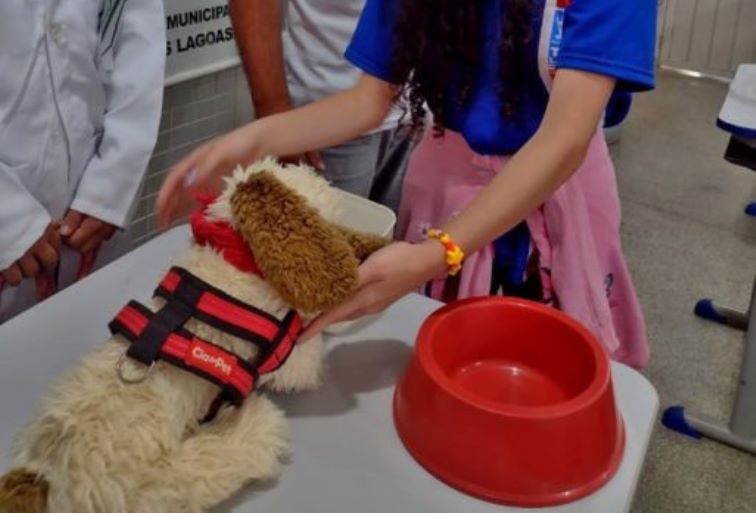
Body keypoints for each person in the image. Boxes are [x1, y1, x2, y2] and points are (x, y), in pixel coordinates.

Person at [157, 0, 657, 367]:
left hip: (559, 190)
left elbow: (562, 142)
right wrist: (252, 138)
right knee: (445, 353)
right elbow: (369, 101)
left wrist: (436, 253)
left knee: (551, 357)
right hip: (449, 174)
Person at [0, 0, 165, 322]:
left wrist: (110, 186)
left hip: (87, 211)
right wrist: (8, 216)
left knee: (88, 345)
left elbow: (139, 46)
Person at [228, 0, 413, 212]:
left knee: (400, 237)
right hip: (329, 116)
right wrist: (274, 113)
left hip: (419, 108)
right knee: (321, 238)